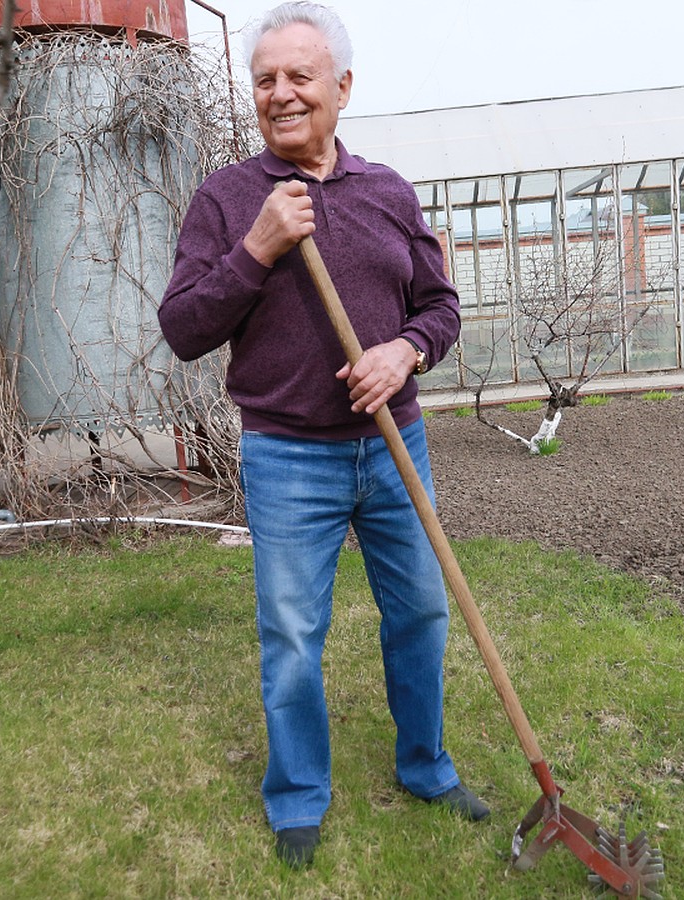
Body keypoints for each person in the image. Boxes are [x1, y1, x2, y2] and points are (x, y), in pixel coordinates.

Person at [158, 0, 488, 870]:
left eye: (299, 76)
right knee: (294, 632)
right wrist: (256, 249)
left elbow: (441, 307)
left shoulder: (385, 192)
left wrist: (404, 352)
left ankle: (426, 767)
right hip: (287, 456)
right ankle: (299, 796)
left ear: (342, 87)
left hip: (392, 445)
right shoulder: (229, 200)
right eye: (265, 79)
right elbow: (185, 327)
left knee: (419, 610)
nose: (280, 93)